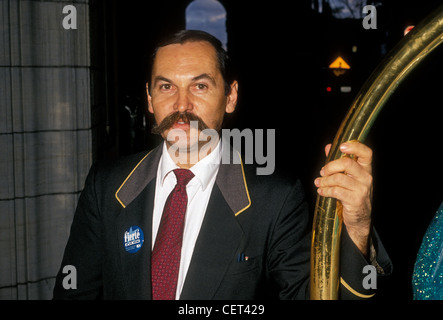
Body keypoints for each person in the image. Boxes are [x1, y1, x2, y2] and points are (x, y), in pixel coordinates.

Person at [53, 30, 391, 300]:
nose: (181, 104)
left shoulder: (274, 198)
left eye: (200, 86)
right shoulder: (107, 183)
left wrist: (357, 226)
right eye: (166, 86)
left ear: (230, 97)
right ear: (149, 98)